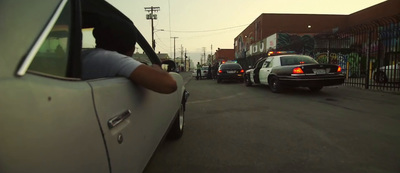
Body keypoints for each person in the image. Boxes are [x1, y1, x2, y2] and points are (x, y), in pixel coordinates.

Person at [81, 24, 177, 94]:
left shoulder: (86, 56)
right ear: (131, 48)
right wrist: (156, 69)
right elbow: (169, 85)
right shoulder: (111, 59)